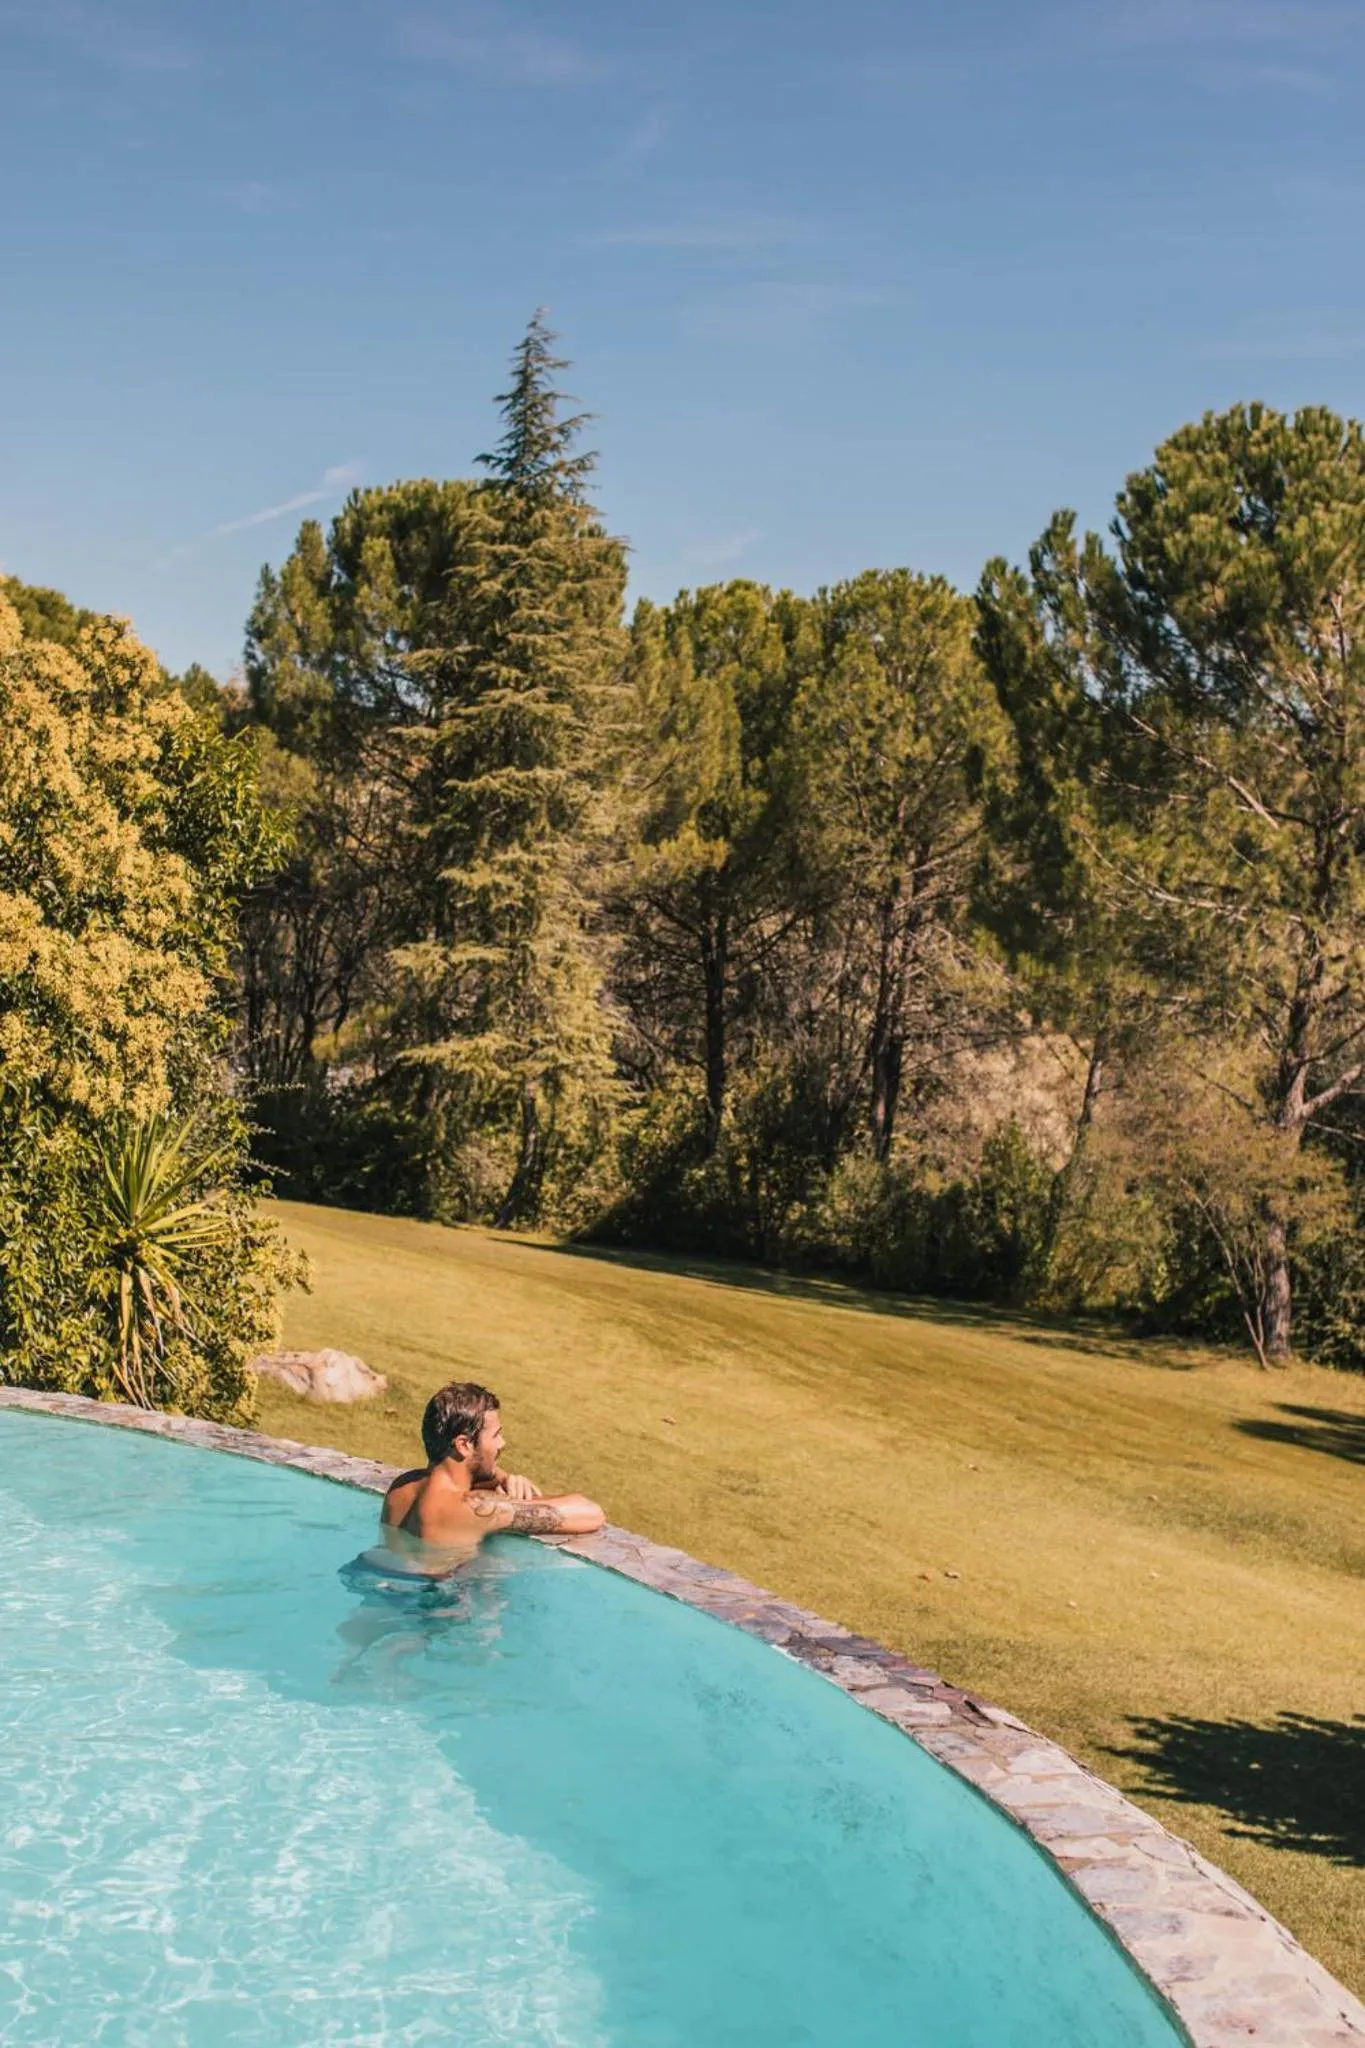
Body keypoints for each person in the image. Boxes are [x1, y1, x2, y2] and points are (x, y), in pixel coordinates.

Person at [371, 1381, 605, 1575]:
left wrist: (502, 1478)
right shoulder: (476, 1508)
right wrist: (504, 1489)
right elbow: (590, 1513)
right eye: (496, 1436)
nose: (502, 1444)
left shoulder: (401, 1487)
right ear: (463, 1445)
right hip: (438, 1619)